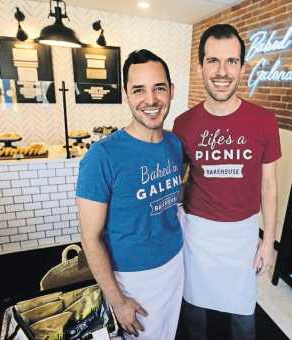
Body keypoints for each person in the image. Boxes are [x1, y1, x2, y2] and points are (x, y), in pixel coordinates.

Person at [173, 24, 281, 340]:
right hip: (197, 235)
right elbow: (177, 182)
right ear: (200, 66)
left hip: (242, 237)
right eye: (213, 61)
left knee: (243, 316)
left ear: (242, 67)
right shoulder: (184, 123)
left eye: (231, 61)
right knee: (193, 313)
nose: (222, 71)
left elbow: (269, 186)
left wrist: (269, 242)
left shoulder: (264, 121)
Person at [76, 49, 184, 340]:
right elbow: (90, 237)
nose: (150, 100)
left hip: (174, 265)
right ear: (126, 94)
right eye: (139, 90)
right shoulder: (102, 156)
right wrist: (117, 299)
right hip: (132, 279)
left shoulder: (175, 145)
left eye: (159, 88)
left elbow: (171, 203)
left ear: (171, 91)